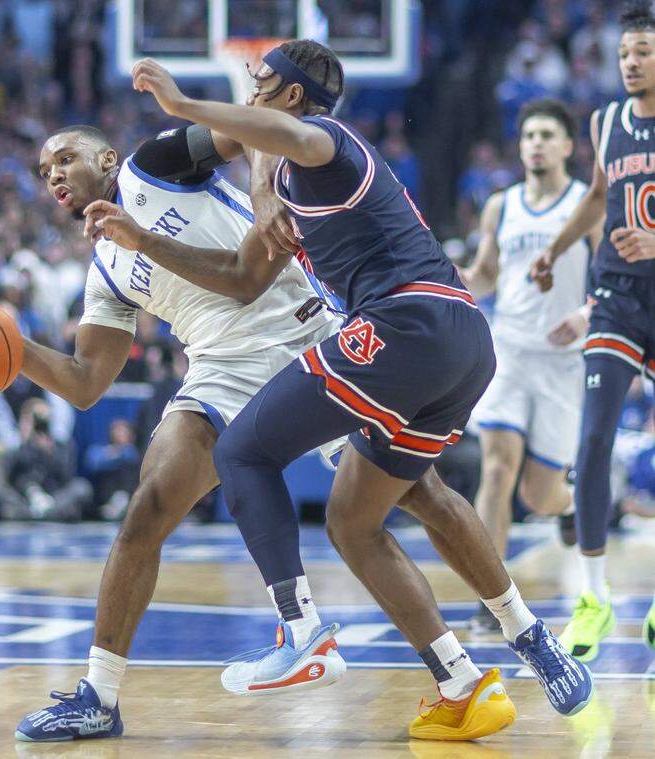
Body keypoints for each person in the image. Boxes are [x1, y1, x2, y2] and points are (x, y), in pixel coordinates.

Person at [111, 40, 591, 740]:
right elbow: (242, 279)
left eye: (261, 81)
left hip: (405, 323)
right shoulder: (282, 183)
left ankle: (300, 632)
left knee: (242, 450)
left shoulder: (326, 139)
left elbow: (284, 135)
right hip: (460, 340)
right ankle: (494, 658)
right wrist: (145, 239)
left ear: (294, 95)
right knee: (356, 519)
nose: (249, 90)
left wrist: (184, 106)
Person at [15, 121, 347, 743]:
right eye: (43, 172)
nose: (54, 174)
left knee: (404, 499)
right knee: (146, 510)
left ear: (106, 157)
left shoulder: (153, 165)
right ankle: (99, 696)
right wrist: (12, 349)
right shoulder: (106, 270)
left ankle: (499, 642)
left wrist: (265, 195)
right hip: (223, 368)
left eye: (64, 158)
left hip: (306, 331)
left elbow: (253, 133)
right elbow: (87, 383)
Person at [530, 4, 655, 660]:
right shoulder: (607, 122)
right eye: (624, 53)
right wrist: (556, 248)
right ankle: (596, 597)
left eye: (642, 52)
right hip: (616, 298)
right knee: (594, 437)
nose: (630, 62)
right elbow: (599, 197)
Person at [462, 98, 596, 632]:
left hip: (563, 360)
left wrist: (587, 315)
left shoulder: (588, 203)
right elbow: (487, 273)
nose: (536, 143)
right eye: (528, 136)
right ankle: (492, 601)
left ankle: (564, 509)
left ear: (567, 146)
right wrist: (460, 279)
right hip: (510, 350)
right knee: (495, 469)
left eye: (546, 135)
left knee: (537, 493)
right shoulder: (501, 204)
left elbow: (611, 278)